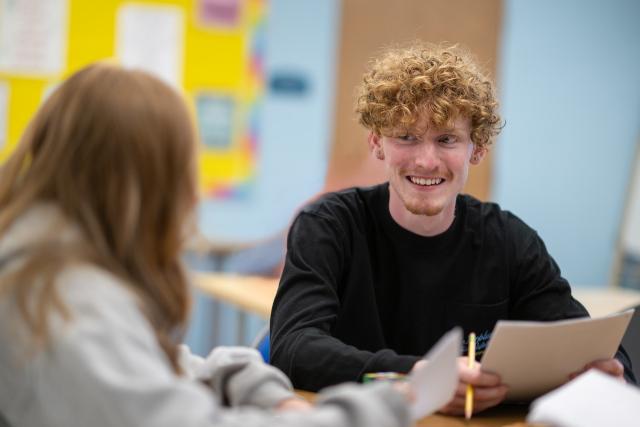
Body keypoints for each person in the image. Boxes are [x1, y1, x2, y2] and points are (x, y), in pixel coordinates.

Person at [0, 63, 412, 427]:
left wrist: (241, 377)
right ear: (139, 187)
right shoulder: (63, 306)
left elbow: (145, 365)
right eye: (181, 173)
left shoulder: (44, 270)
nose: (193, 197)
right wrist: (386, 409)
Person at [269, 43, 636, 415]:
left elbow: (584, 341)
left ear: (476, 150)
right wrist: (416, 379)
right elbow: (293, 349)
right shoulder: (329, 226)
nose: (426, 161)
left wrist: (610, 372)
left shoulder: (510, 241)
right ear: (377, 143)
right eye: (406, 137)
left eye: (446, 139)